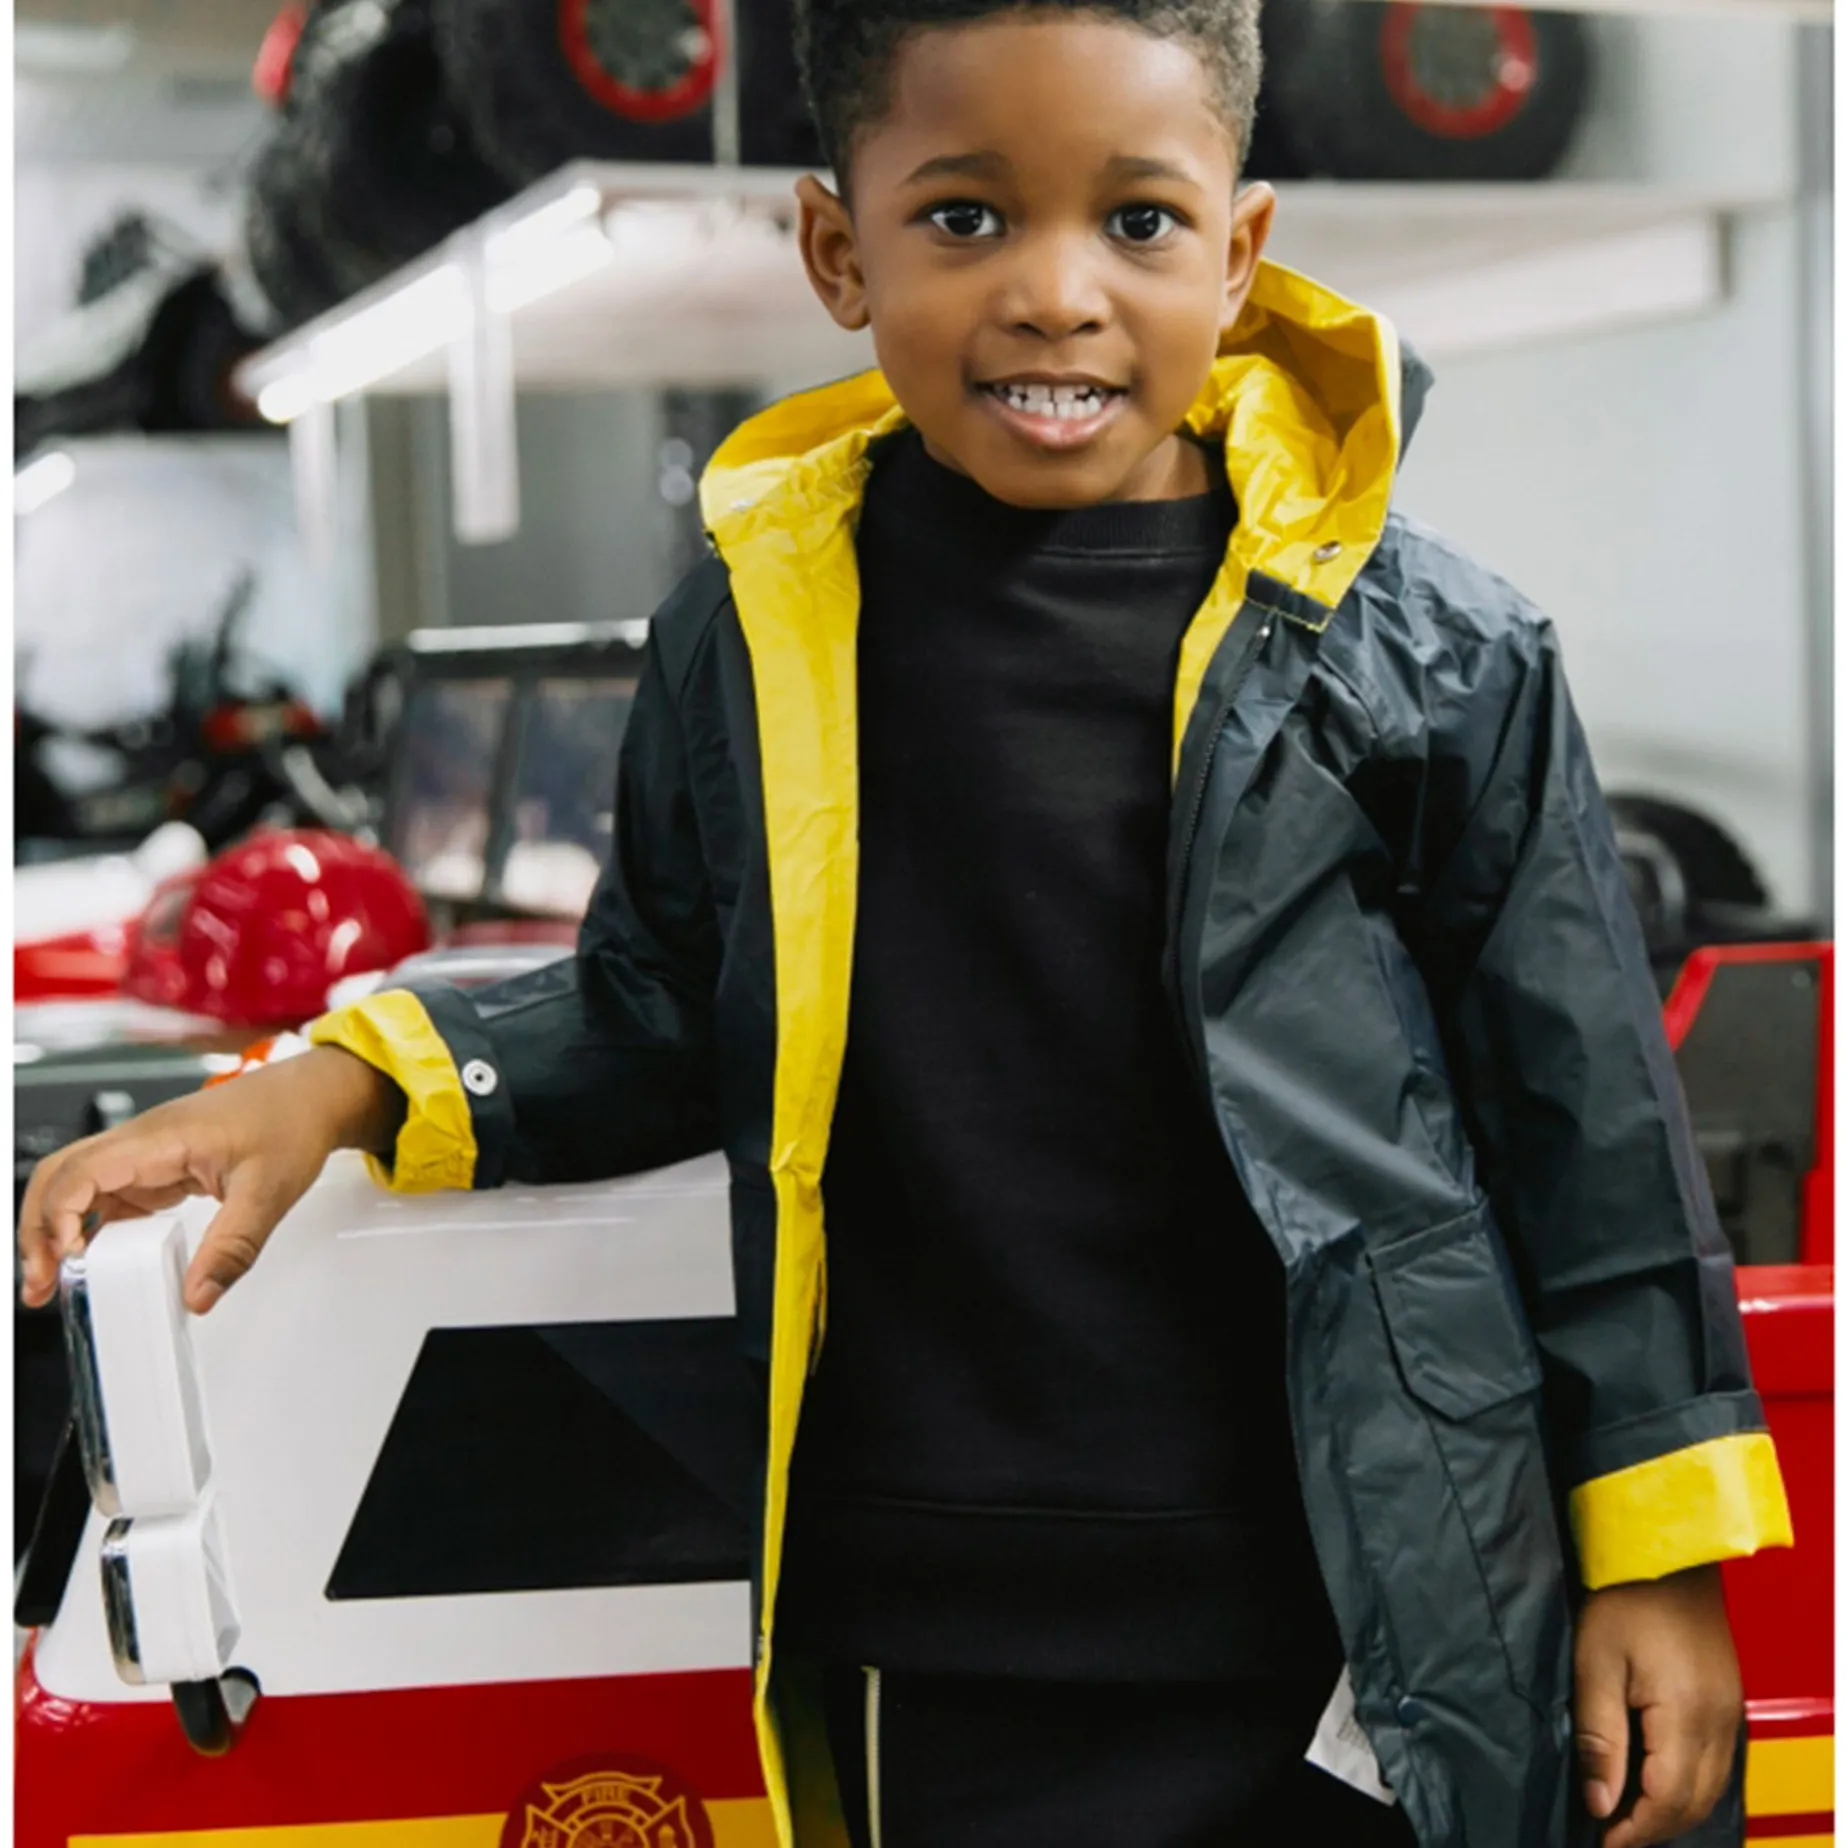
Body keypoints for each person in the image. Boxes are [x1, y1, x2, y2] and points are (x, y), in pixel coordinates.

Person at [18, 3, 1792, 1845]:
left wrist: (1655, 1562)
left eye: (1139, 221)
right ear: (837, 248)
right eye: (965, 218)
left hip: (1373, 1610)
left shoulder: (1434, 653)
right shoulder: (753, 629)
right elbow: (658, 1005)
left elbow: (1588, 1131)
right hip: (939, 1631)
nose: (1055, 295)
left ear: (1241, 248)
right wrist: (335, 1086)